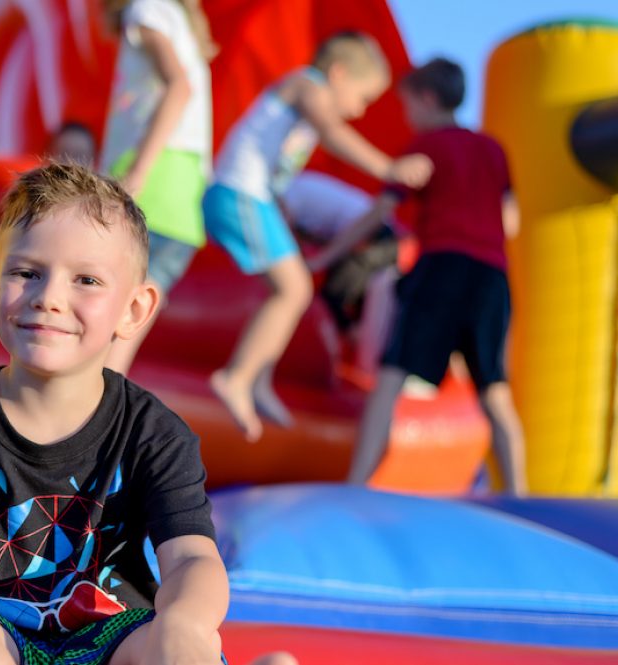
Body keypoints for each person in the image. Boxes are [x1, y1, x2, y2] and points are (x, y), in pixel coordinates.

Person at [0, 163, 292, 665]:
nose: (49, 298)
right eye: (26, 273)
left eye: (86, 280)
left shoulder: (153, 433)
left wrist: (184, 625)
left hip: (106, 638)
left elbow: (190, 556)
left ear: (135, 311)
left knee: (185, 642)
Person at [306, 58, 526, 495]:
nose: (407, 116)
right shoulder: (492, 148)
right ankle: (521, 496)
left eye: (408, 105)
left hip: (443, 269)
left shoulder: (426, 146)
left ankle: (356, 485)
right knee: (495, 393)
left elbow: (379, 214)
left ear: (427, 99)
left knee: (390, 377)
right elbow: (511, 222)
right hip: (491, 276)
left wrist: (327, 255)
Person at [203, 31, 433, 442]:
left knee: (289, 291)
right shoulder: (305, 85)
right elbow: (330, 129)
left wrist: (285, 217)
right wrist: (388, 169)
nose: (359, 112)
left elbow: (276, 169)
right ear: (339, 74)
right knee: (293, 289)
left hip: (255, 198)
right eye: (362, 98)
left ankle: (257, 380)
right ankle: (236, 377)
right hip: (238, 194)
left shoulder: (301, 104)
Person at [99, 0, 216, 373]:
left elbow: (178, 86)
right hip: (182, 195)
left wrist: (138, 171)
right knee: (125, 329)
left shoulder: (147, 9)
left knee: (99, 315)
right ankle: (99, 419)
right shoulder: (178, 19)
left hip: (153, 178)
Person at [283, 171, 400, 375]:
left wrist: (322, 260)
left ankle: (345, 367)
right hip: (379, 241)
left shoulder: (288, 196)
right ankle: (357, 363)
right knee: (350, 307)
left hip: (374, 241)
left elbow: (288, 241)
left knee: (333, 303)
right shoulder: (300, 189)